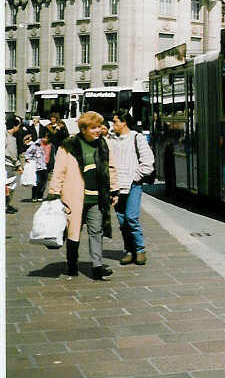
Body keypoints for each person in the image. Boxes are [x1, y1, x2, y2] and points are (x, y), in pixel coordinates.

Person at [47, 111, 119, 280]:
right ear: (84, 128)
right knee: (74, 232)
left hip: (97, 197)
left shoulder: (105, 143)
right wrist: (54, 193)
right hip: (73, 198)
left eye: (100, 127)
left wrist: (114, 190)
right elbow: (59, 171)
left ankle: (97, 267)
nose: (98, 130)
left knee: (96, 231)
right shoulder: (69, 145)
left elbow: (111, 168)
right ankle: (72, 264)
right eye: (94, 128)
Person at [110, 110, 154, 266]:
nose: (112, 124)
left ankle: (140, 249)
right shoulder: (112, 139)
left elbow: (148, 161)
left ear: (124, 122)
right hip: (116, 186)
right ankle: (129, 250)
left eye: (115, 121)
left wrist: (136, 176)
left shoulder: (137, 138)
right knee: (122, 221)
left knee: (131, 217)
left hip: (133, 184)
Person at [23, 129, 52, 202]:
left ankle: (40, 196)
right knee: (37, 182)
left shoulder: (50, 145)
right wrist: (30, 160)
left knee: (44, 183)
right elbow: (28, 153)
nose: (47, 139)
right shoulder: (36, 145)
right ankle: (34, 196)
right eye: (46, 138)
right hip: (37, 167)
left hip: (45, 166)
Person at [5, 116, 22, 214]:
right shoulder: (11, 139)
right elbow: (13, 154)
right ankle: (5, 205)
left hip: (5, 164)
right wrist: (18, 165)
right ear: (14, 127)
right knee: (11, 185)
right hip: (8, 164)